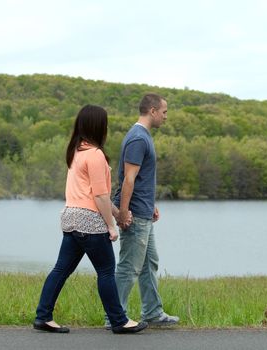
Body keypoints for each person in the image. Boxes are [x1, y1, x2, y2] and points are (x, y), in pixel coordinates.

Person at [33, 104, 147, 334]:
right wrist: (111, 225)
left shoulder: (76, 151)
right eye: (105, 123)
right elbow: (99, 196)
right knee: (106, 271)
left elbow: (92, 194)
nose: (106, 127)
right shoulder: (95, 155)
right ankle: (119, 321)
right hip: (89, 222)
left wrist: (118, 213)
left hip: (71, 218)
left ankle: (43, 316)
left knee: (60, 270)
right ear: (98, 126)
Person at [104, 93, 179, 329]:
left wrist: (151, 204)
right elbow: (129, 179)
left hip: (144, 211)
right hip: (135, 215)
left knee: (149, 264)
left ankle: (153, 312)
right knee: (129, 267)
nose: (166, 117)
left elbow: (142, 178)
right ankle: (114, 317)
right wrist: (123, 213)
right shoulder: (138, 138)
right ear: (153, 111)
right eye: (164, 112)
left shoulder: (143, 137)